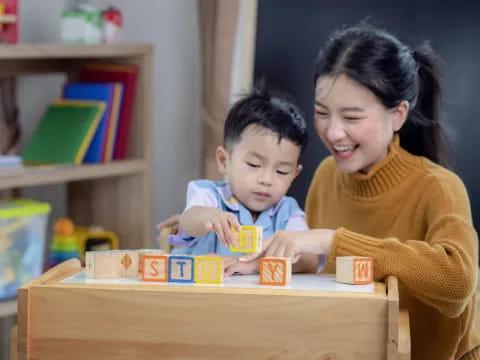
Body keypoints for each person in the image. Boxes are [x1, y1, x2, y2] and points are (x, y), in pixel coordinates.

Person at [236, 25, 479, 359]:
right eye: (322, 112)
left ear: (398, 115)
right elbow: (323, 278)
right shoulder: (325, 177)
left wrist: (334, 241)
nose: (333, 132)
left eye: (352, 116)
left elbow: (457, 283)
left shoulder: (439, 188)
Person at [165, 85, 317, 274]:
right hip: (203, 297)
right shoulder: (210, 195)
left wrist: (251, 266)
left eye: (281, 171)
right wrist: (212, 217)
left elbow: (308, 261)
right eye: (254, 165)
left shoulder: (287, 213)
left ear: (294, 174)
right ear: (223, 160)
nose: (266, 179)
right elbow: (189, 220)